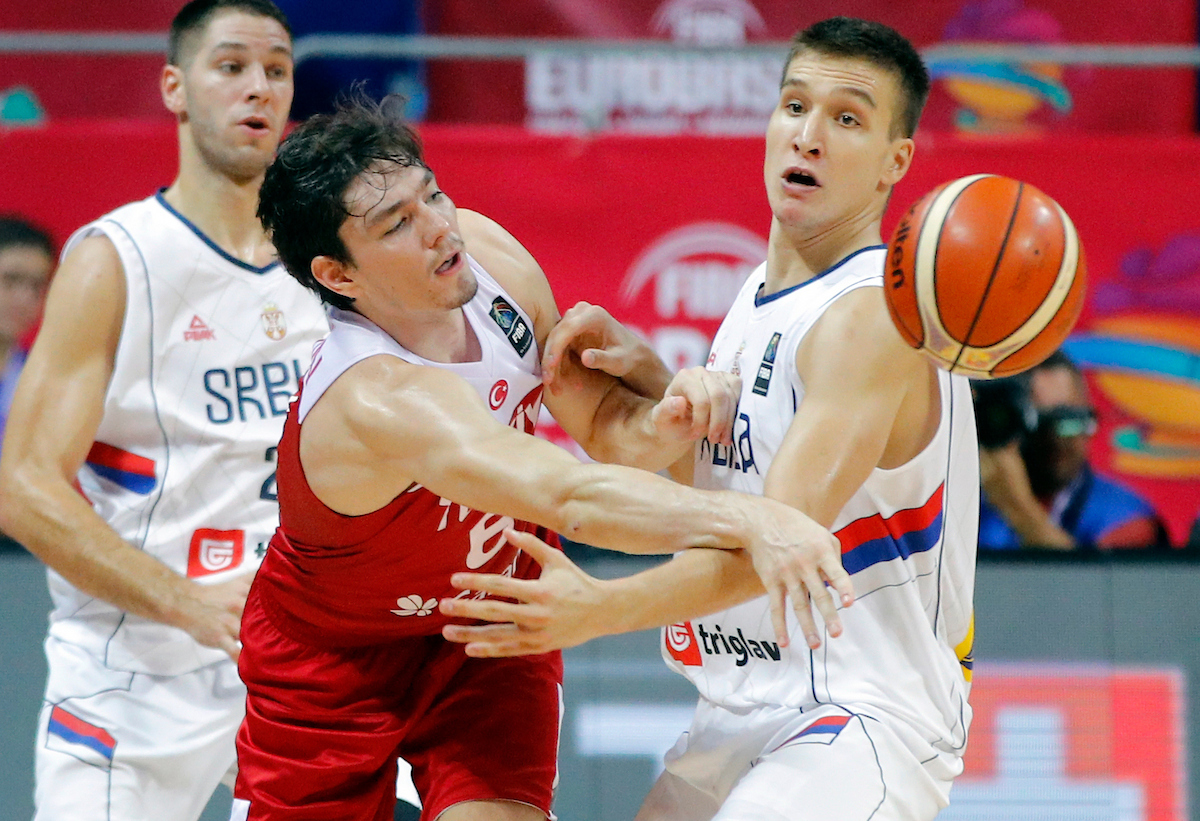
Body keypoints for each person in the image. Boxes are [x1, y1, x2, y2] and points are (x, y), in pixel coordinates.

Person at [232, 93, 851, 821]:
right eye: (397, 223)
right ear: (339, 275)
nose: (438, 227)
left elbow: (600, 425)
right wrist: (755, 520)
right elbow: (571, 496)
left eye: (430, 192)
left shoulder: (486, 259)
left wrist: (668, 416)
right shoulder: (375, 396)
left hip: (490, 622)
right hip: (335, 661)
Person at [441, 17, 980, 821]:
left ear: (894, 162)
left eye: (847, 118)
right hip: (739, 713)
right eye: (795, 106)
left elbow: (775, 541)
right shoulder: (759, 297)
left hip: (857, 716)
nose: (809, 135)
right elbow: (732, 485)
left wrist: (598, 607)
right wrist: (658, 387)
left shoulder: (872, 315)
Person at [0, 2, 330, 818]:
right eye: (232, 67)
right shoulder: (113, 259)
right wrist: (184, 601)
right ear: (175, 89)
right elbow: (23, 486)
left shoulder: (333, 261)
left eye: (277, 69)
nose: (258, 87)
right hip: (137, 670)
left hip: (303, 664)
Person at [977, 350, 1168, 551]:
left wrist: (1018, 509)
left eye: (1070, 421)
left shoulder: (1125, 519)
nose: (1055, 438)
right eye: (1039, 424)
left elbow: (1095, 583)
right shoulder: (972, 507)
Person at [0, 216, 53, 551]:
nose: (25, 298)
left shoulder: (44, 378)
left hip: (19, 554)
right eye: (11, 280)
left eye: (37, 286)